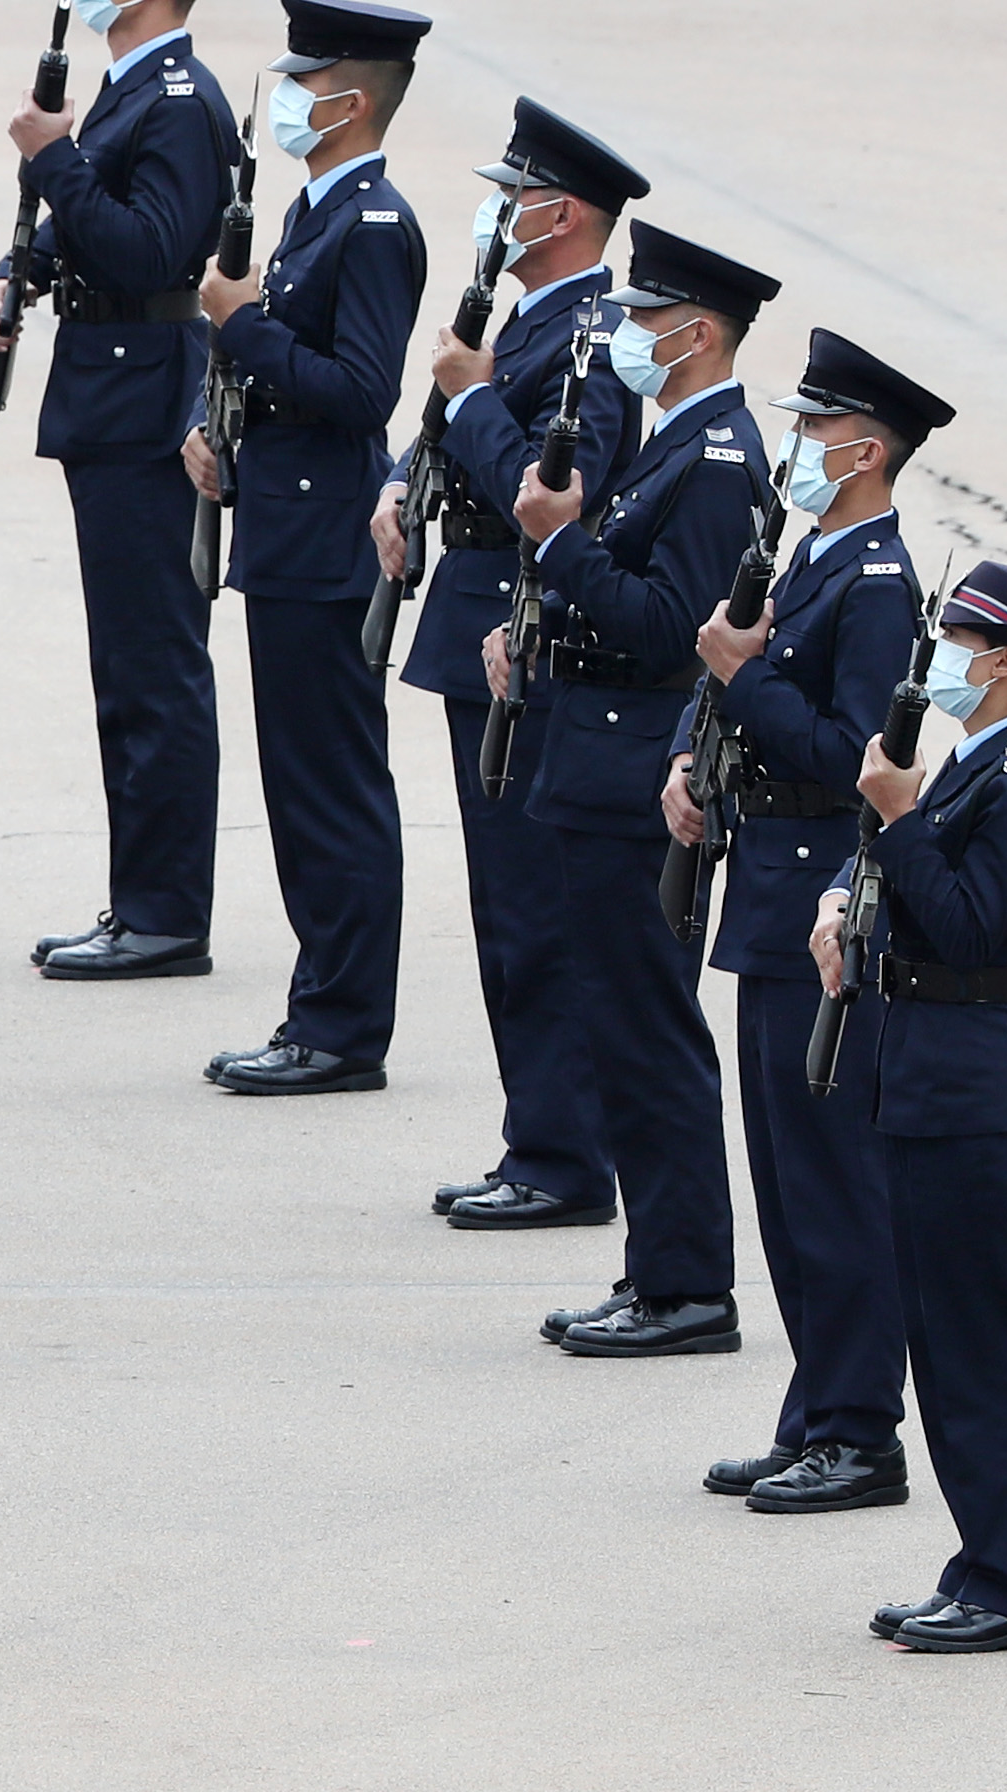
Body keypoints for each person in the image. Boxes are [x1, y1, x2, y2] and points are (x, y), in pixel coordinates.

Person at [450, 221, 778, 1357]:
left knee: (647, 1034)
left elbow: (669, 630)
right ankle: (656, 1272)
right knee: (621, 1028)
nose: (629, 335)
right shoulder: (677, 439)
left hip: (637, 775)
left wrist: (556, 545)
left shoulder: (719, 458)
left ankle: (686, 1287)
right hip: (597, 765)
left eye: (649, 320)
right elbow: (623, 593)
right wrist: (535, 624)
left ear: (699, 336)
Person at [676, 334, 945, 1511]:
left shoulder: (876, 583)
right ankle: (817, 1410)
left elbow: (856, 760)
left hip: (823, 899)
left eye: (815, 429)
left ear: (865, 450)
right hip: (771, 888)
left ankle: (860, 1431)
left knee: (831, 1183)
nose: (795, 445)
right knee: (787, 1186)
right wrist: (695, 754)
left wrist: (744, 680)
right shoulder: (817, 555)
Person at [391, 102, 648, 1229]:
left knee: (537, 913)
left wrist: (475, 396)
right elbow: (449, 431)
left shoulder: (596, 339)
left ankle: (564, 1156)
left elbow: (555, 496)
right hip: (478, 623)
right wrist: (401, 482)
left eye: (517, 195)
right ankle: (536, 1137)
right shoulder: (525, 320)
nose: (497, 212)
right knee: (505, 909)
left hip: (530, 641)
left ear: (566, 214)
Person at [0, 0, 241, 984]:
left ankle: (165, 915)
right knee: (123, 669)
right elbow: (90, 229)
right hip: (110, 398)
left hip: (146, 407)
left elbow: (149, 251)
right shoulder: (132, 87)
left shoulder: (181, 101)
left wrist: (53, 158)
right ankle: (138, 898)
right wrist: (19, 269)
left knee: (154, 670)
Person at [819, 564, 1007, 1654]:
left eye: (958, 643)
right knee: (945, 1344)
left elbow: (971, 931)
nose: (935, 662)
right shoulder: (970, 761)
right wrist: (844, 893)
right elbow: (902, 875)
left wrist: (899, 818)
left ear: (1006, 661)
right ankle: (982, 1567)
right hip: (929, 1078)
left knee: (983, 1349)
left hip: (976, 1091)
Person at [182, 0, 425, 1093]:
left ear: (351, 101)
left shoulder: (371, 225)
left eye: (304, 81)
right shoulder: (315, 207)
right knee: (299, 789)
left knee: (331, 792)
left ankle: (342, 1028)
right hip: (285, 532)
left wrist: (241, 323)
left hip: (326, 545)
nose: (286, 98)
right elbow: (284, 377)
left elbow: (362, 392)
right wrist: (218, 429)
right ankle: (316, 1008)